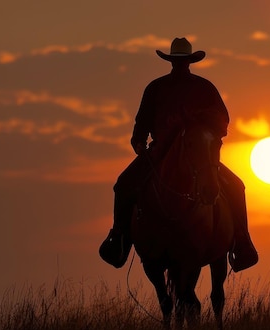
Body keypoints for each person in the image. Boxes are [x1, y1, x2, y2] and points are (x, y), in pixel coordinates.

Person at [99, 37, 258, 272]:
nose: (181, 65)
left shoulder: (203, 88)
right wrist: (139, 143)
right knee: (122, 185)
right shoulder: (156, 88)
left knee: (236, 186)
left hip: (200, 154)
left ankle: (241, 240)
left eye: (183, 61)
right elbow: (141, 123)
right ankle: (119, 237)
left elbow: (222, 121)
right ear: (172, 61)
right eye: (178, 61)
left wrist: (203, 131)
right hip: (159, 153)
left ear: (188, 62)